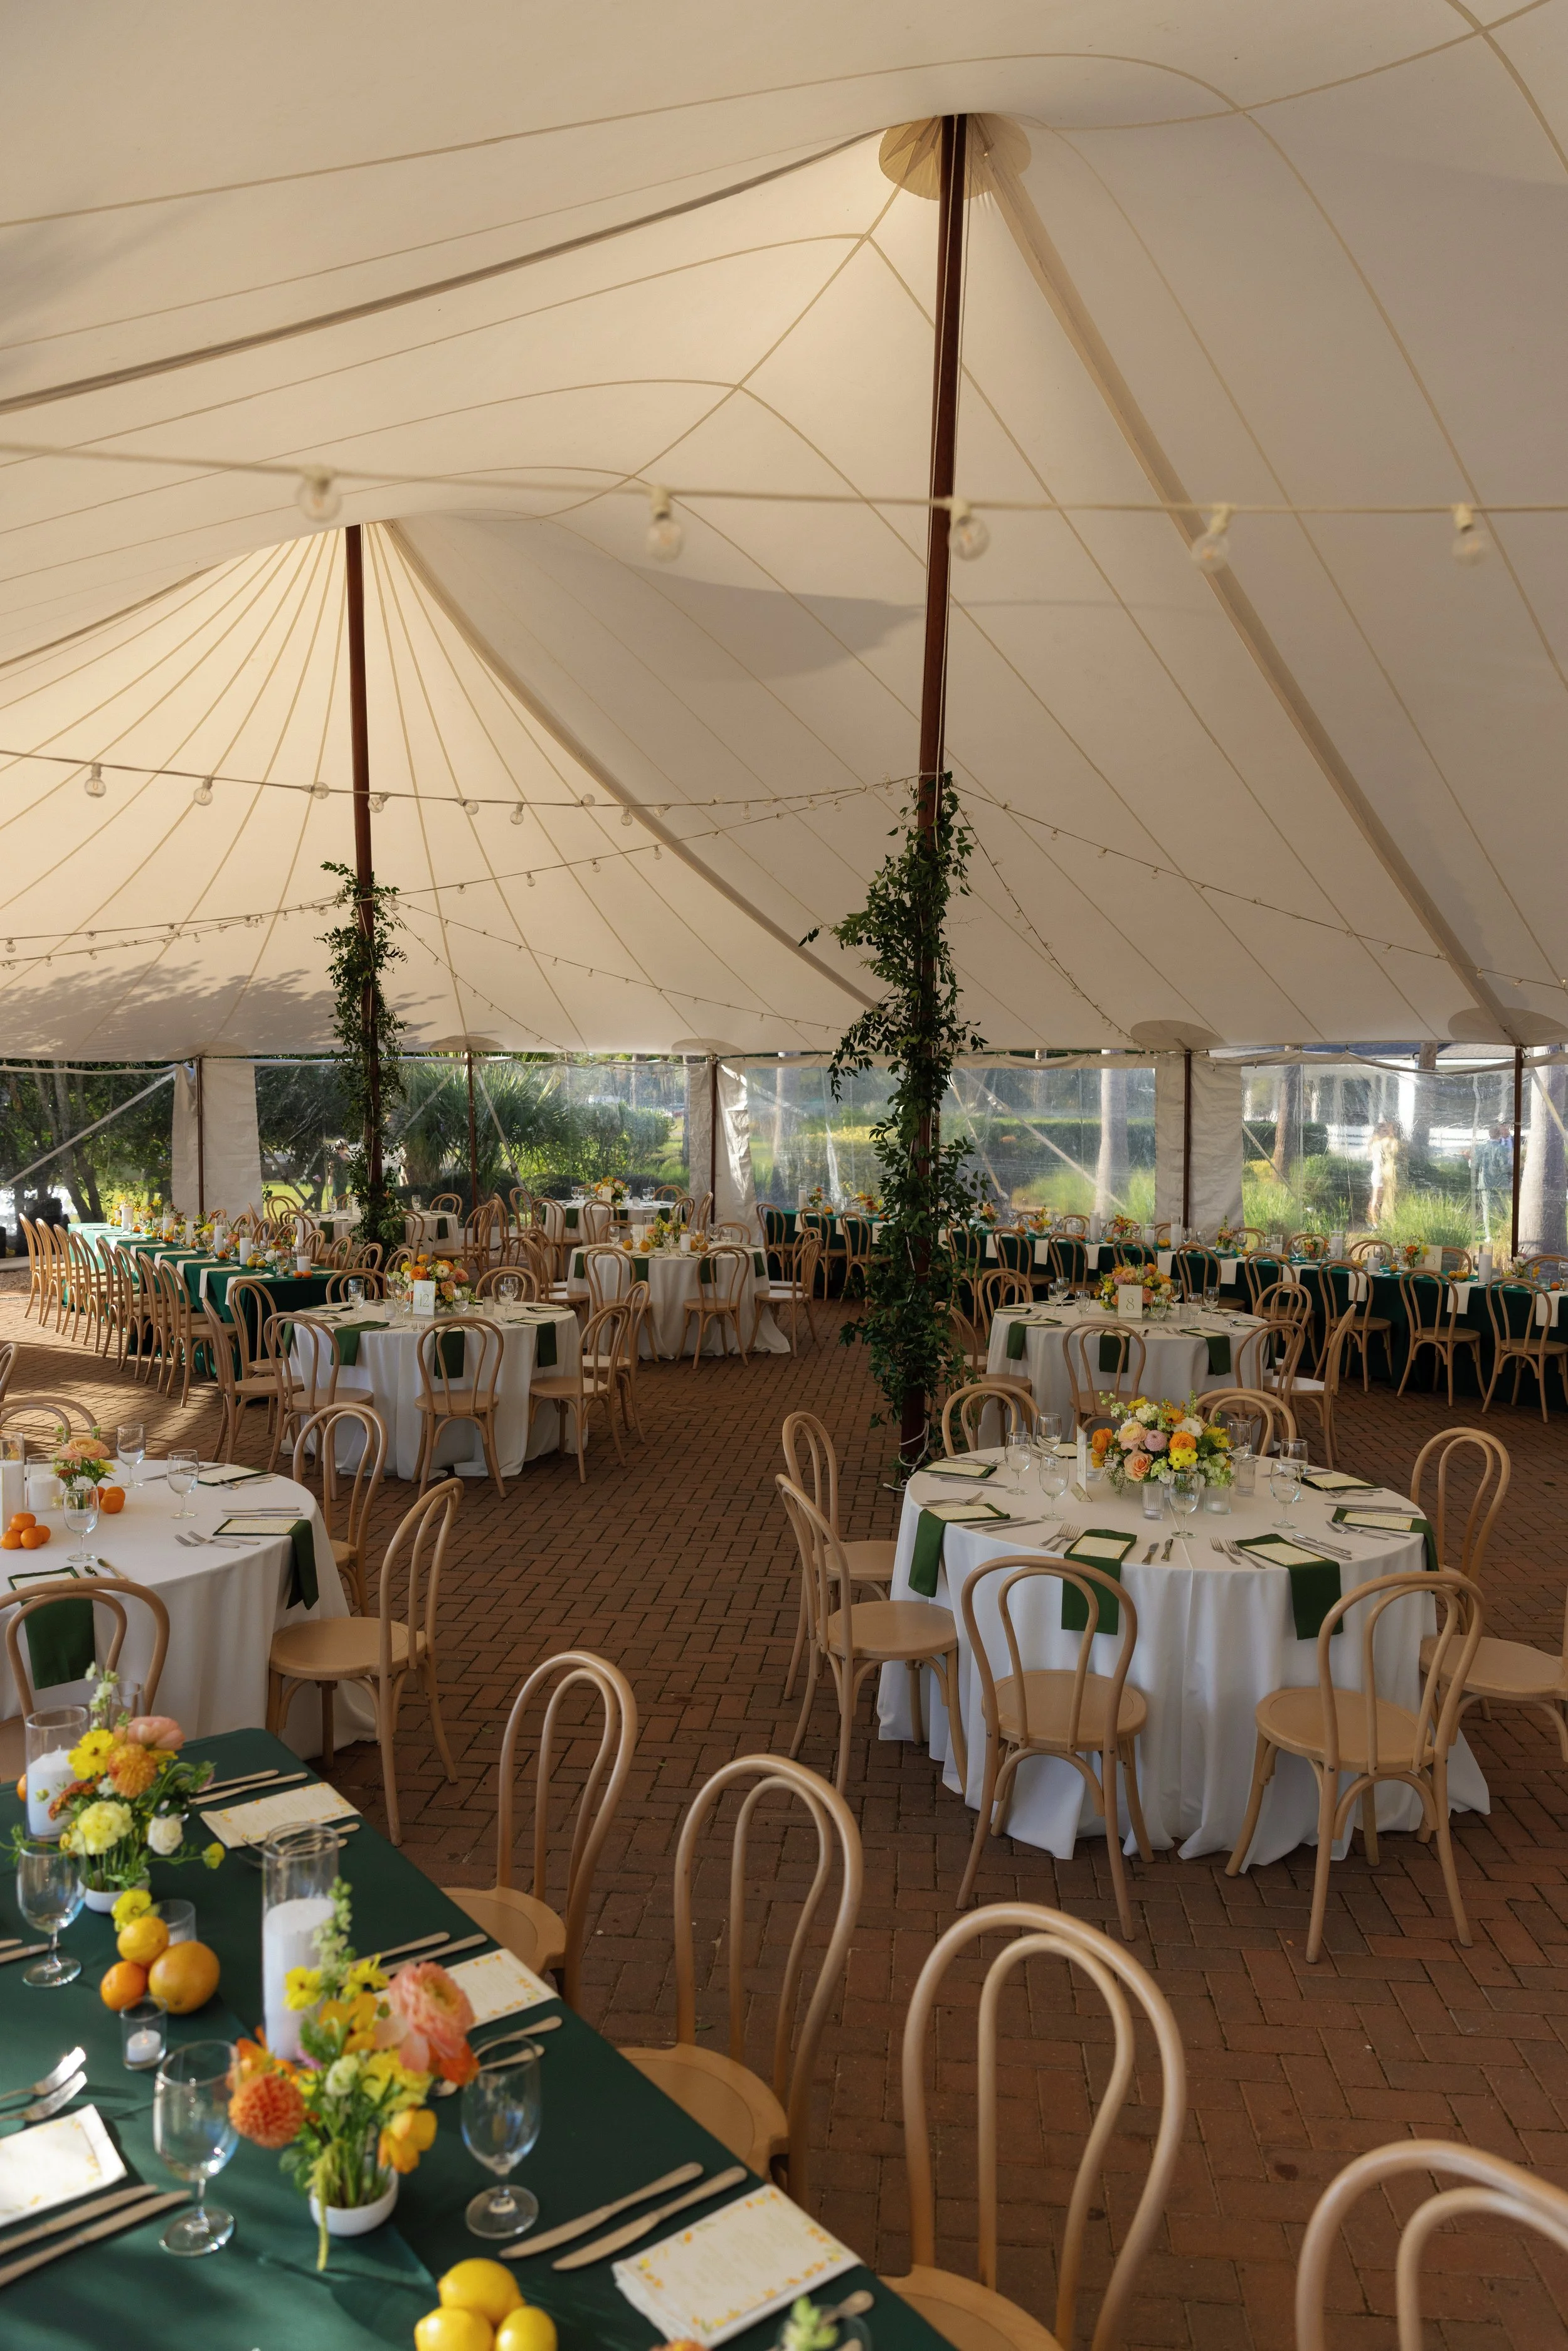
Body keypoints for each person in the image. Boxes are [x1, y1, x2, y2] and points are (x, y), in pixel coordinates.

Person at [1473, 1121, 1513, 1243]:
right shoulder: (1502, 1149)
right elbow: (1504, 1167)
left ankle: (1489, 1235)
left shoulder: (1481, 1148)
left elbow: (1474, 1165)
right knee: (1503, 1209)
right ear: (1499, 1135)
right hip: (1501, 1184)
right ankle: (1503, 1233)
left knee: (1487, 1210)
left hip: (1485, 1183)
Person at [1367, 1120, 1402, 1227]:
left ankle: (1374, 1221)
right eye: (1384, 1130)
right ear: (1379, 1132)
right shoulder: (1377, 1143)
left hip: (1380, 1173)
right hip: (1378, 1174)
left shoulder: (1376, 1142)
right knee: (1376, 1199)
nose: (1386, 1132)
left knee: (1377, 1199)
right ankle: (1373, 1222)